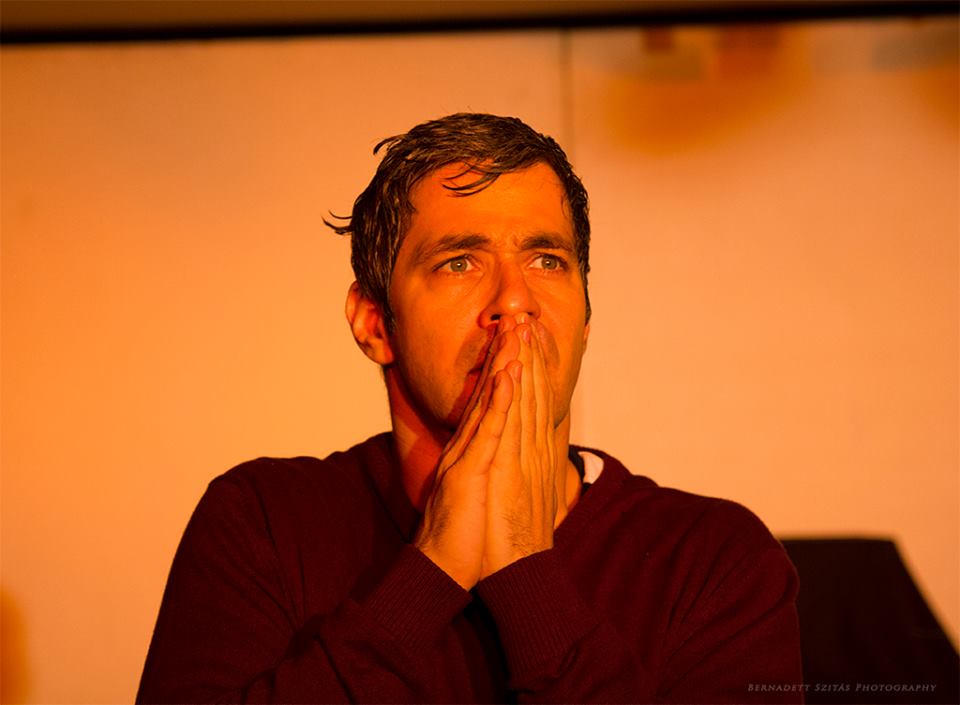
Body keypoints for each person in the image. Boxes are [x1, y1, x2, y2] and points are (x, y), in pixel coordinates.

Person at [137, 113, 803, 703]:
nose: (514, 300)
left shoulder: (714, 560)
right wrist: (431, 570)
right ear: (373, 322)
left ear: (585, 320)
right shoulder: (263, 523)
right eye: (459, 262)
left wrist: (523, 564)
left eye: (547, 260)